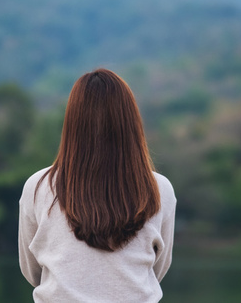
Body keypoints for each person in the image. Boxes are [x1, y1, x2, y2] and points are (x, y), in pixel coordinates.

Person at [18, 68, 177, 302]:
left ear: (73, 122)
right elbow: (157, 269)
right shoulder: (159, 188)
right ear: (130, 123)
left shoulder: (38, 186)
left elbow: (32, 270)